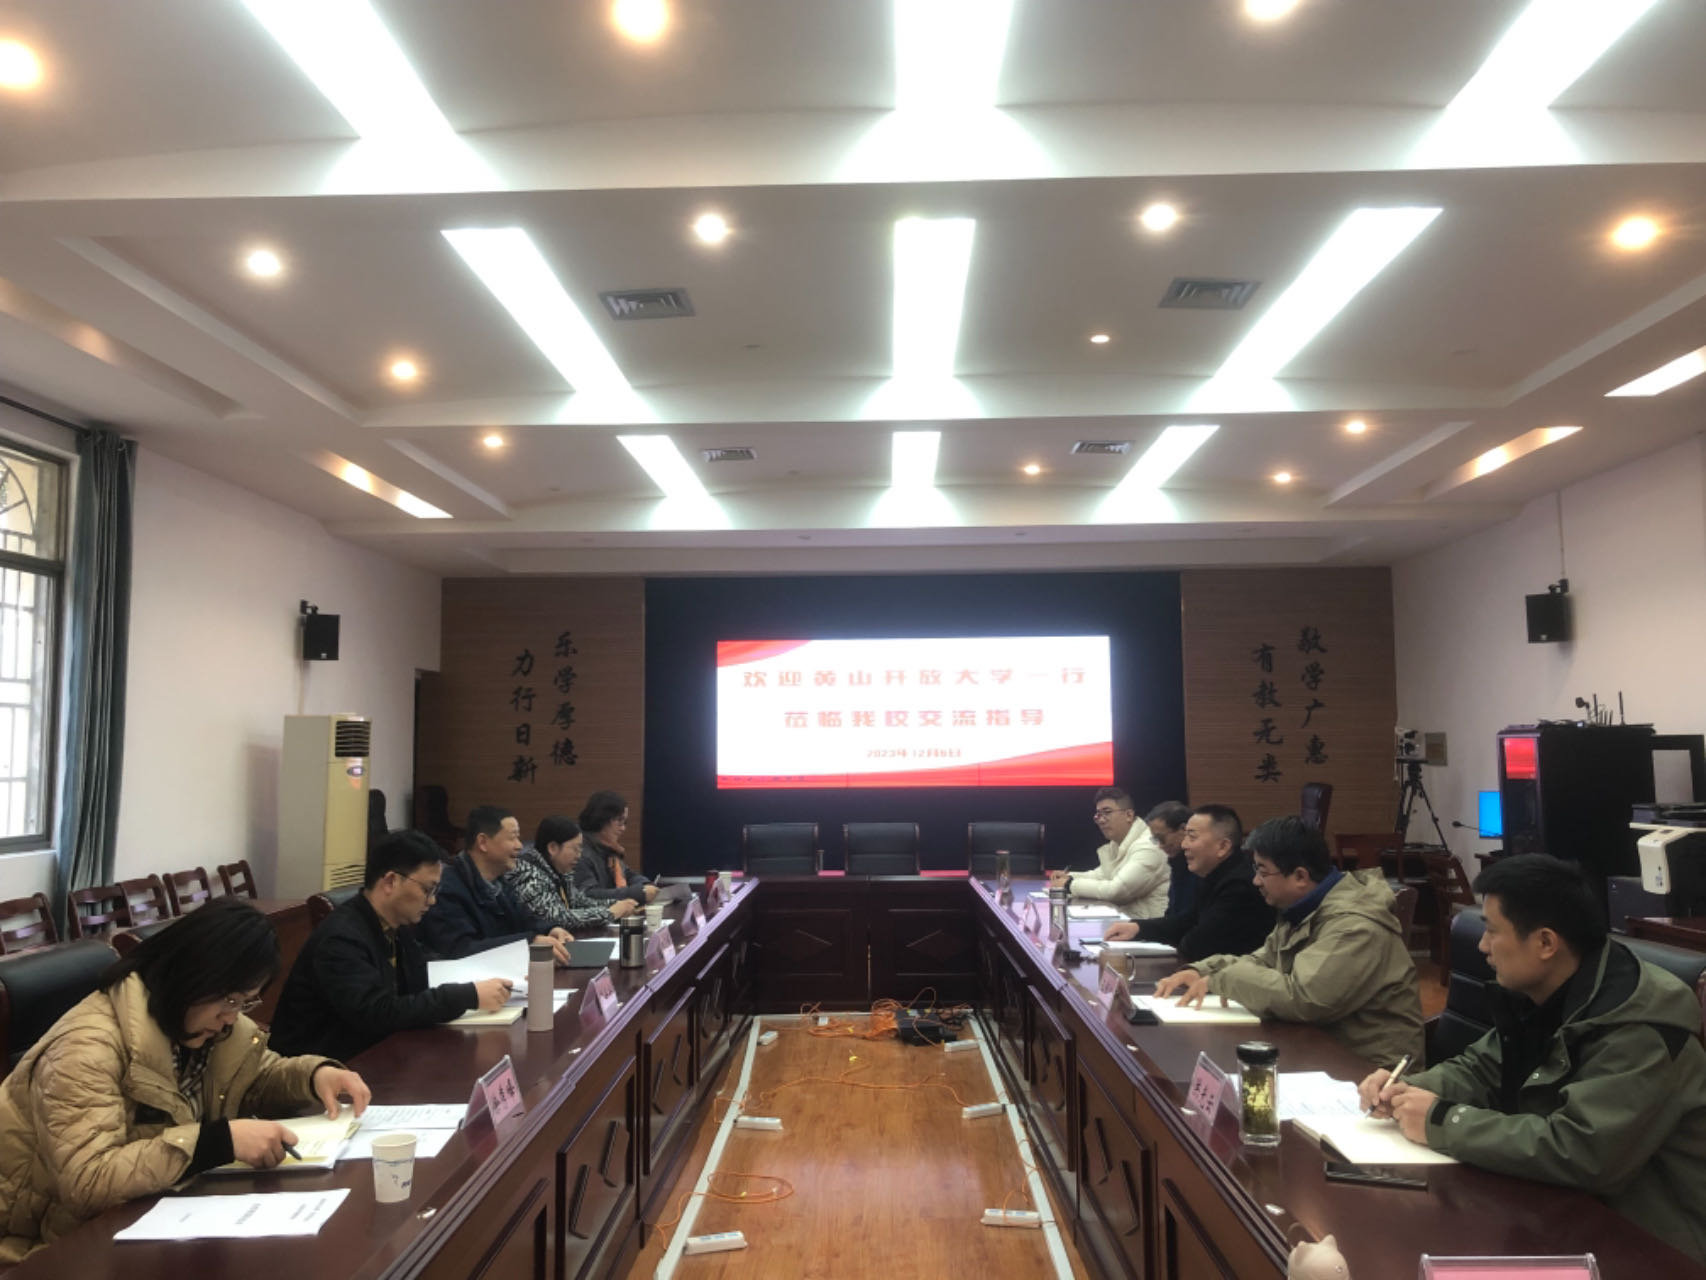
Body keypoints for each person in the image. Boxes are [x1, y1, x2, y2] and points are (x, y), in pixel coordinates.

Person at [1360, 854, 1706, 1262]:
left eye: (1492, 930)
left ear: (1545, 943)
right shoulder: (1547, 992)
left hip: (1649, 1244)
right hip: (1557, 1211)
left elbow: (1582, 1152)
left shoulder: (1639, 1029)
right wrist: (1408, 1088)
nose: (1482, 945)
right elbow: (1481, 1068)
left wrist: (1442, 1120)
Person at [0, 899, 371, 1261]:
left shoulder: (202, 1023)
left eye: (246, 1003)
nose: (232, 1018)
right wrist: (217, 1142)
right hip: (47, 1247)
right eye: (230, 1000)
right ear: (192, 976)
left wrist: (314, 1075)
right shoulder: (87, 1047)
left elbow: (256, 1076)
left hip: (147, 1219)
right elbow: (88, 1181)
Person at [1156, 815, 1423, 1067]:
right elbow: (1263, 960)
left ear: (1300, 877)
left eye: (1263, 871)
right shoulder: (1303, 908)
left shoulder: (1355, 926)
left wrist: (1222, 979)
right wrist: (1204, 970)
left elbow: (1304, 998)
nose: (1255, 881)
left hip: (1369, 1071)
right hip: (1317, 1050)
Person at [268, 830, 519, 1060]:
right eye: (427, 889)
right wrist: (466, 995)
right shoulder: (341, 939)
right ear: (390, 881)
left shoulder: (394, 926)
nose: (432, 901)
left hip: (376, 1056)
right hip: (321, 1072)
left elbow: (419, 981)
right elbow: (377, 1013)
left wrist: (492, 980)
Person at [1103, 804, 1272, 963]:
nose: (1184, 845)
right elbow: (1186, 921)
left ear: (1223, 846)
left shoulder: (1240, 886)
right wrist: (1137, 928)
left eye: (1192, 837)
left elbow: (1197, 945)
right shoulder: (1212, 874)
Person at [418, 805, 573, 962]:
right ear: (483, 842)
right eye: (512, 838)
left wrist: (550, 929)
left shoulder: (499, 883)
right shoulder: (447, 888)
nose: (519, 846)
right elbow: (462, 950)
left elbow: (525, 919)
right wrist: (529, 943)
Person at [1047, 786, 1168, 917]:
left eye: (1107, 812)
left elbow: (1117, 891)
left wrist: (1069, 884)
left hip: (1149, 926)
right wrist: (1070, 877)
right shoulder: (1118, 843)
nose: (1101, 820)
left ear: (1129, 815)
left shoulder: (1148, 846)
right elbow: (1102, 875)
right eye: (1098, 814)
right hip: (1126, 922)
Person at [508, 815, 638, 933]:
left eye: (580, 849)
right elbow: (557, 918)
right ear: (552, 848)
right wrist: (609, 913)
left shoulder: (560, 871)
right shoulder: (529, 875)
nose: (579, 856)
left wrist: (617, 904)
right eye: (575, 849)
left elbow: (580, 902)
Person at [572, 791, 657, 905]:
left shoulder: (609, 849)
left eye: (625, 823)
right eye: (620, 821)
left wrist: (645, 884)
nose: (623, 828)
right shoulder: (579, 852)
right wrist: (637, 893)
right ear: (602, 819)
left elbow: (627, 874)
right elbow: (588, 895)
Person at [1146, 800, 1198, 918]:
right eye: (1155, 840)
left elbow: (1187, 920)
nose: (1160, 845)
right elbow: (1172, 914)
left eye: (1161, 838)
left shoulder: (1200, 866)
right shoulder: (1177, 863)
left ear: (1184, 829)